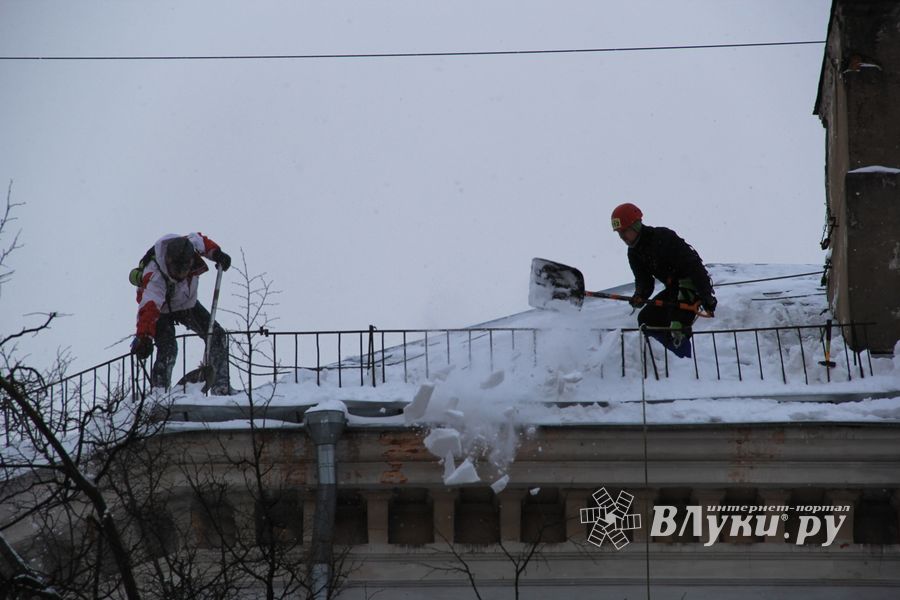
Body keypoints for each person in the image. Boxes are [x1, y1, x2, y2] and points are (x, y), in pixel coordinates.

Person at [129, 233, 234, 394]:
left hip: (186, 304)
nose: (181, 274)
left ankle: (221, 388)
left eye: (184, 269)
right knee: (168, 348)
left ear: (191, 261)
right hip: (161, 310)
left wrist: (216, 253)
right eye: (176, 270)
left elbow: (203, 242)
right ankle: (159, 393)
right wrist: (144, 337)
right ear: (168, 262)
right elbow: (149, 308)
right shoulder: (155, 276)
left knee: (216, 336)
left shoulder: (191, 245)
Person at [611, 203, 717, 357]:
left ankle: (685, 365)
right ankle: (671, 360)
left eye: (624, 231)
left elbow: (693, 265)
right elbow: (644, 281)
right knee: (646, 320)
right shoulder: (634, 253)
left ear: (636, 225)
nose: (622, 237)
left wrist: (706, 295)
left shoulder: (662, 237)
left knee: (676, 325)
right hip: (672, 290)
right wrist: (640, 295)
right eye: (619, 234)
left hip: (690, 286)